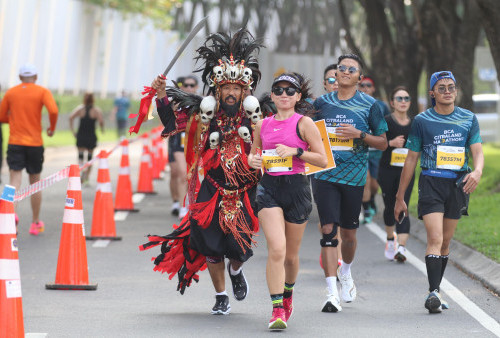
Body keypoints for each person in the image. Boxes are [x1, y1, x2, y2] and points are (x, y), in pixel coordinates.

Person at [140, 29, 263, 315]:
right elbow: (171, 124)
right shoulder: (202, 114)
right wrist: (160, 94)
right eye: (226, 88)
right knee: (210, 246)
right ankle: (221, 295)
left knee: (239, 247)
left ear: (245, 91)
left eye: (237, 89)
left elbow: (282, 135)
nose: (231, 93)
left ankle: (236, 271)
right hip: (211, 189)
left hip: (246, 191)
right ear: (217, 90)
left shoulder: (258, 115)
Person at [395, 71, 483, 313]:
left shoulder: (468, 118)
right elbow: (411, 159)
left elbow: (477, 150)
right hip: (431, 182)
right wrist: (400, 196)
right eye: (441, 87)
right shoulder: (422, 121)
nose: (447, 91)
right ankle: (433, 292)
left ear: (456, 90)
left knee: (445, 242)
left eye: (451, 87)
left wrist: (477, 171)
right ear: (432, 93)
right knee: (434, 239)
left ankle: (436, 289)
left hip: (458, 185)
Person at [248, 73, 327, 330]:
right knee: (277, 249)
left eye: (290, 91)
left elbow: (322, 159)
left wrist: (296, 151)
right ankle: (276, 308)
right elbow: (253, 154)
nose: (284, 94)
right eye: (278, 90)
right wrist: (253, 161)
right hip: (269, 189)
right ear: (271, 95)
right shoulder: (262, 125)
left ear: (298, 97)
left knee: (291, 257)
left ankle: (288, 293)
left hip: (297, 189)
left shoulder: (304, 123)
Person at [312, 54, 388, 311]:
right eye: (341, 68)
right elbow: (304, 132)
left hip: (354, 178)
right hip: (324, 175)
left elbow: (382, 142)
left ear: (359, 76)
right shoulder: (320, 103)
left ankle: (346, 272)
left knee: (349, 235)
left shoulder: (370, 105)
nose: (345, 72)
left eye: (351, 69)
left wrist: (359, 134)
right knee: (328, 230)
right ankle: (331, 292)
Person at [0, 63, 58, 235]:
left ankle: (11, 218)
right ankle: (35, 222)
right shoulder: (42, 91)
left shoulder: (11, 92)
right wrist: (52, 128)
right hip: (34, 144)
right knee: (35, 183)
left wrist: (14, 120)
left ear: (19, 78)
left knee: (14, 183)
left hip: (15, 142)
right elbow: (53, 111)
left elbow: (2, 116)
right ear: (36, 77)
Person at [377, 86, 414, 262]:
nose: (403, 102)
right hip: (387, 170)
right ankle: (391, 238)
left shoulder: (415, 124)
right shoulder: (386, 122)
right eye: (399, 98)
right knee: (390, 205)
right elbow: (376, 143)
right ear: (392, 103)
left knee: (403, 204)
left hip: (407, 171)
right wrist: (391, 142)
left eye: (406, 98)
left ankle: (402, 247)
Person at [358, 76, 391, 223]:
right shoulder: (355, 104)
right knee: (366, 179)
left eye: (368, 85)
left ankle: (371, 200)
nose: (365, 88)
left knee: (374, 184)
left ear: (373, 88)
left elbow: (388, 127)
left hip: (377, 151)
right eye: (362, 85)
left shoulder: (381, 106)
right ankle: (366, 211)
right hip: (361, 150)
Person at [168, 76, 198, 218]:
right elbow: (167, 118)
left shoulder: (202, 102)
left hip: (196, 143)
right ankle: (180, 206)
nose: (189, 88)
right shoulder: (177, 102)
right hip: (178, 141)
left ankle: (191, 204)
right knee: (180, 173)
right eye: (186, 85)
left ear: (196, 87)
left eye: (192, 85)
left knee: (193, 177)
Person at [69, 93, 104, 184]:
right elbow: (101, 121)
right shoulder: (96, 110)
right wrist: (102, 128)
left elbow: (71, 117)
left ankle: (80, 174)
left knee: (80, 157)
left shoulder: (80, 109)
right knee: (90, 158)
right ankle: (86, 177)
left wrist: (73, 131)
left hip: (81, 135)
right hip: (91, 136)